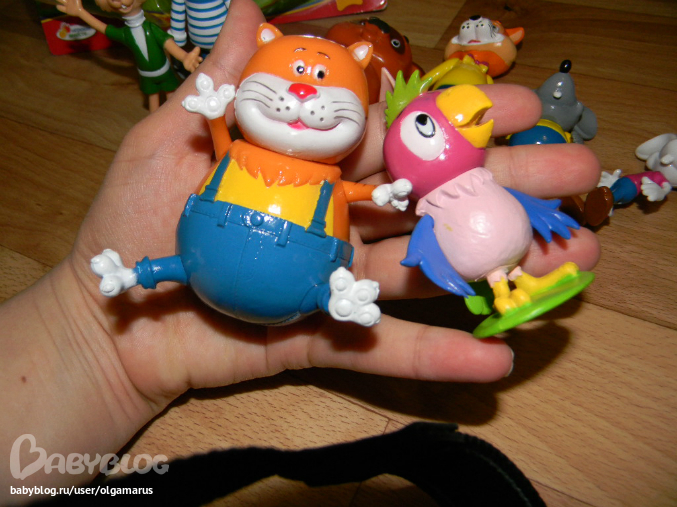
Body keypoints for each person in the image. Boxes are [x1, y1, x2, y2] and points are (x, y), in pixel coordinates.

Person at [0, 0, 601, 499]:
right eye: (291, 75)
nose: (304, 92)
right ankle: (142, 274)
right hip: (202, 258)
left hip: (291, 274)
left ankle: (325, 297)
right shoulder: (240, 152)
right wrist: (214, 117)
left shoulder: (328, 178)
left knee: (275, 280)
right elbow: (226, 138)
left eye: (323, 83)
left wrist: (384, 193)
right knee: (180, 268)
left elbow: (354, 192)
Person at [57, 0, 203, 112]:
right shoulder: (125, 33)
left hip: (165, 71)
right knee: (153, 103)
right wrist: (81, 12)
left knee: (173, 100)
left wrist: (184, 57)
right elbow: (104, 28)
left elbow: (167, 43)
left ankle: (177, 119)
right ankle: (154, 126)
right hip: (146, 76)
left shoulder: (151, 28)